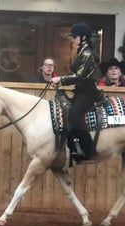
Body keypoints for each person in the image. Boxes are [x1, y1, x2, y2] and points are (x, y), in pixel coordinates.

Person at [51, 23, 102, 161]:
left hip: (88, 91)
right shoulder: (82, 51)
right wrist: (62, 81)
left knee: (74, 114)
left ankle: (88, 150)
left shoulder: (87, 54)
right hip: (81, 90)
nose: (73, 39)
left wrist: (60, 79)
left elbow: (79, 76)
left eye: (75, 36)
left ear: (83, 37)